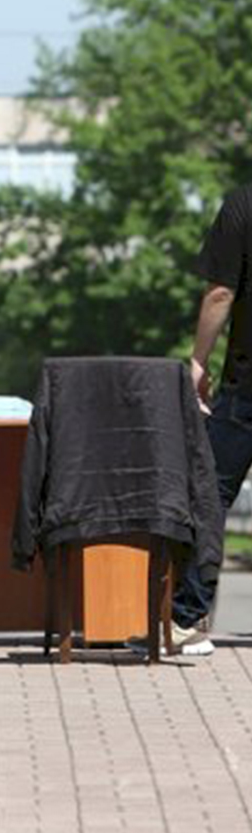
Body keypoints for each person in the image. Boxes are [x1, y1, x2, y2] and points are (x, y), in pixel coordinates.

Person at [170, 184, 252, 656]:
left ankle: (186, 618)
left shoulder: (243, 203)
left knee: (210, 493)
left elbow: (221, 291)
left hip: (248, 385)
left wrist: (199, 360)